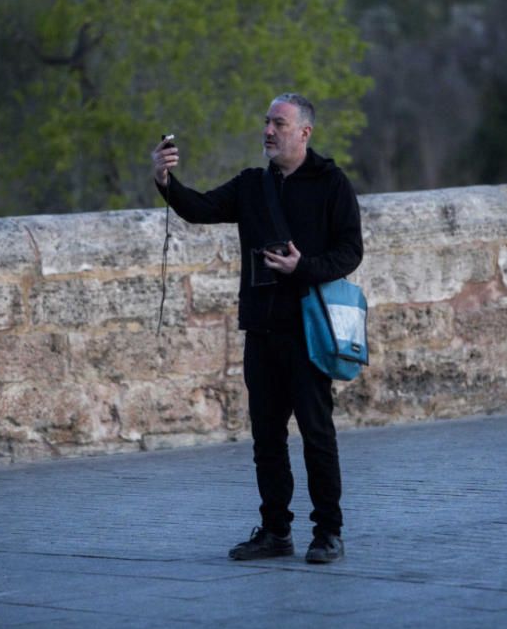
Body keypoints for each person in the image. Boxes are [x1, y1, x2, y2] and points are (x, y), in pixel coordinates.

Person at [150, 93, 363, 564]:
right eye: (266, 122)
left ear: (304, 132)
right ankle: (275, 532)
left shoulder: (331, 182)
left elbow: (351, 252)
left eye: (279, 123)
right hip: (262, 331)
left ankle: (328, 532)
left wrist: (302, 266)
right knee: (267, 439)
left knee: (316, 434)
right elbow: (199, 208)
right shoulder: (251, 186)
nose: (268, 130)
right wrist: (165, 180)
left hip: (311, 331)